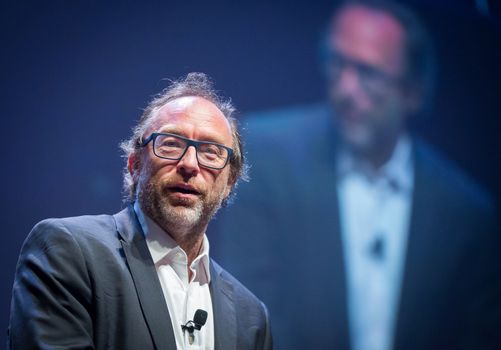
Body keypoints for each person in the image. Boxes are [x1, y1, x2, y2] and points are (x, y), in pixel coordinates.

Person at [209, 1, 500, 349]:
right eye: (337, 64)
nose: (346, 89)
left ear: (413, 92)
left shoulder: (466, 213)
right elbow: (247, 315)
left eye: (368, 73)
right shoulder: (268, 157)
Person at [8, 72, 272, 350]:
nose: (190, 164)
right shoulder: (68, 252)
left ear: (229, 182)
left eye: (210, 152)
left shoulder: (250, 316)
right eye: (171, 144)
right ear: (134, 165)